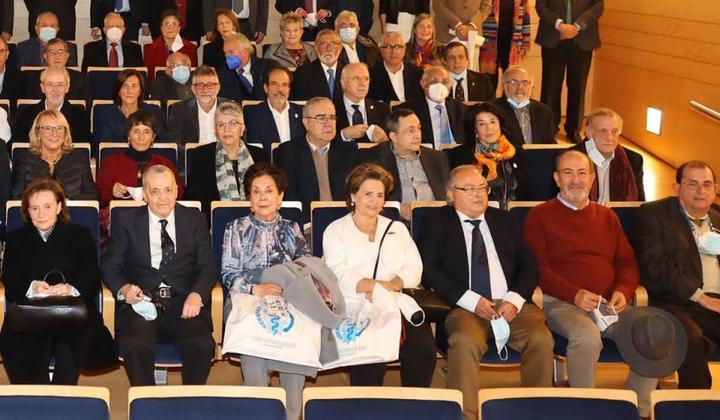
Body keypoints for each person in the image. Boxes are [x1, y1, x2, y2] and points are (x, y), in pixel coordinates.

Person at [528, 151, 673, 415]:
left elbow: (627, 263)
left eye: (582, 173)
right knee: (586, 336)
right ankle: (586, 410)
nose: (576, 180)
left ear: (592, 178)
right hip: (561, 303)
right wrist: (574, 295)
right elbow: (536, 269)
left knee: (651, 333)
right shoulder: (540, 216)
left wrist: (622, 291)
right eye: (568, 173)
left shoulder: (607, 217)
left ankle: (635, 408)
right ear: (557, 178)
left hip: (607, 304)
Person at [420, 166, 553, 415]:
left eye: (482, 188)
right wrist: (471, 300)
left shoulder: (503, 219)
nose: (478, 194)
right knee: (465, 341)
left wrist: (514, 299)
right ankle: (465, 414)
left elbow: (530, 264)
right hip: (465, 307)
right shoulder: (436, 222)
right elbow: (429, 269)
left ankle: (537, 410)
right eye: (469, 189)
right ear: (450, 194)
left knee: (541, 339)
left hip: (510, 305)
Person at [101, 165, 216, 386]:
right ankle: (146, 403)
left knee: (201, 344)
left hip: (183, 301)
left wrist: (197, 295)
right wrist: (124, 289)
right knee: (134, 343)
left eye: (167, 190)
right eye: (154, 191)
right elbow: (110, 265)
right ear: (144, 194)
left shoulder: (195, 219)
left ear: (176, 191)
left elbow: (208, 266)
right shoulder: (126, 220)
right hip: (142, 301)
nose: (162, 198)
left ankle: (191, 402)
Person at [323, 163, 436, 388]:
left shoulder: (397, 229)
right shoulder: (336, 230)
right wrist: (375, 286)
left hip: (397, 303)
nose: (374, 201)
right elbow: (337, 272)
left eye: (380, 195)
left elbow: (414, 266)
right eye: (368, 194)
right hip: (357, 305)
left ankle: (416, 406)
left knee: (423, 352)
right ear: (353, 196)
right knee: (369, 360)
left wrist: (395, 284)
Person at [219, 163, 311, 418]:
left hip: (287, 299)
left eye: (269, 191)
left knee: (296, 341)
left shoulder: (292, 229)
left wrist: (286, 289)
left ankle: (292, 414)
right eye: (256, 191)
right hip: (247, 300)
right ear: (249, 198)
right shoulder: (235, 228)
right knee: (255, 348)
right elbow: (228, 274)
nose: (262, 197)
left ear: (280, 196)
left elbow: (306, 268)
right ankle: (258, 410)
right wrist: (255, 288)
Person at [0, 178, 113, 384]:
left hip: (72, 313)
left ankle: (63, 402)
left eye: (47, 206)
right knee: (25, 342)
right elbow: (10, 277)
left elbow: (91, 276)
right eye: (34, 208)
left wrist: (70, 288)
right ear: (27, 211)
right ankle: (39, 401)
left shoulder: (80, 234)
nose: (41, 214)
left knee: (70, 345)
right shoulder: (17, 238)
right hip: (31, 313)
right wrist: (32, 287)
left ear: (59, 207)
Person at [631, 161, 720, 391]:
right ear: (676, 187)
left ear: (715, 189)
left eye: (707, 184)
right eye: (692, 184)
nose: (701, 191)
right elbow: (657, 265)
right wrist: (700, 296)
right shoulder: (653, 215)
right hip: (674, 301)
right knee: (690, 339)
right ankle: (695, 405)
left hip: (716, 302)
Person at [537, 0, 604, 140]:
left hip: (581, 40)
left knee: (577, 85)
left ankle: (573, 129)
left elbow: (597, 6)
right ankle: (550, 127)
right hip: (553, 38)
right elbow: (541, 6)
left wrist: (576, 26)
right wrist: (559, 25)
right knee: (551, 85)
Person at [96, 111, 182, 232]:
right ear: (128, 136)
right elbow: (99, 195)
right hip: (121, 222)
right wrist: (112, 191)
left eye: (146, 132)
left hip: (158, 220)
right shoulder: (110, 162)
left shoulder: (165, 164)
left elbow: (179, 194)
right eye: (136, 131)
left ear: (153, 136)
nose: (141, 137)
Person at [274, 97, 358, 207]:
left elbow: (355, 191)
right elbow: (290, 196)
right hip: (306, 221)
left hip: (343, 218)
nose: (329, 123)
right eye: (321, 118)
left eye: (332, 118)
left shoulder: (348, 151)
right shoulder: (288, 152)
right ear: (306, 122)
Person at [360, 108, 450, 204]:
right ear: (394, 137)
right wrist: (398, 209)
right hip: (395, 216)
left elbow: (447, 195)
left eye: (418, 128)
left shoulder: (437, 158)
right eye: (411, 131)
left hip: (433, 214)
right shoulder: (373, 158)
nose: (417, 135)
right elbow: (366, 196)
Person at [184, 100, 265, 206]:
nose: (227, 129)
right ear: (215, 131)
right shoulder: (200, 155)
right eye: (221, 125)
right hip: (214, 219)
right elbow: (194, 198)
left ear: (242, 129)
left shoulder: (259, 155)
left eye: (232, 123)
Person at [447, 103, 525, 203]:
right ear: (475, 129)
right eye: (481, 124)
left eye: (492, 122)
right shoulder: (460, 155)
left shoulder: (516, 153)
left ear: (500, 125)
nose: (489, 129)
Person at [12, 110, 97, 200]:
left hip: (72, 212)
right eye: (48, 128)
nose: (54, 133)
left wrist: (67, 203)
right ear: (38, 134)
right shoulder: (24, 160)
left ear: (65, 134)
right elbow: (16, 195)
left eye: (59, 128)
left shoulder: (79, 158)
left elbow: (92, 194)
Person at [571, 108, 645, 203]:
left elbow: (639, 204)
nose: (609, 138)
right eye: (603, 131)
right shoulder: (568, 159)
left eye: (614, 131)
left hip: (619, 217)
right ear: (589, 133)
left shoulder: (633, 160)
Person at [481, 0, 532, 86]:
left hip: (512, 43)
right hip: (490, 43)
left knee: (511, 80)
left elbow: (526, 18)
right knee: (489, 81)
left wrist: (525, 43)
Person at [12, 66, 91, 144]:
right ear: (42, 88)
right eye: (50, 85)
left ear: (67, 88)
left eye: (60, 85)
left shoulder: (80, 116)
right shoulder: (27, 114)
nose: (55, 90)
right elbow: (17, 147)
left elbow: (85, 149)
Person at [398, 65, 465, 148]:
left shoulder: (460, 108)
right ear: (423, 84)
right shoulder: (408, 110)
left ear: (450, 85)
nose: (440, 86)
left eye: (444, 82)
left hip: (458, 154)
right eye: (434, 81)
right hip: (427, 155)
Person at [493, 66, 558, 145]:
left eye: (525, 82)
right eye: (514, 82)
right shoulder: (493, 110)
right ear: (504, 86)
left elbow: (550, 143)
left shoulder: (543, 111)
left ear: (531, 87)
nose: (520, 87)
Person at [95, 69, 163, 143]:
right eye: (125, 86)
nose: (129, 91)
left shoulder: (153, 112)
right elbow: (105, 147)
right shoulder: (106, 115)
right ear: (118, 91)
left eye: (134, 86)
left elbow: (161, 143)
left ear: (140, 90)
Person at [244, 66, 305, 145]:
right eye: (274, 84)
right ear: (266, 88)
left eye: (284, 85)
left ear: (289, 89)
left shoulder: (302, 112)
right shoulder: (252, 114)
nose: (280, 89)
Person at [165, 65, 221, 144]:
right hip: (191, 155)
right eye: (200, 86)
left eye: (210, 85)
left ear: (218, 88)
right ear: (193, 89)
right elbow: (174, 142)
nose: (205, 90)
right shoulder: (179, 109)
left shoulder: (231, 108)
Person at [335, 63, 389, 143]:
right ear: (343, 83)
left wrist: (384, 140)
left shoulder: (382, 109)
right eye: (356, 78)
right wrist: (343, 135)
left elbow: (394, 145)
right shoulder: (331, 109)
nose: (362, 84)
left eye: (366, 79)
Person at [368, 31, 424, 104]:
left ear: (404, 49)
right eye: (388, 46)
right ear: (380, 49)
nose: (393, 51)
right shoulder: (371, 75)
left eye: (398, 46)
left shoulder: (418, 73)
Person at [291, 29, 346, 101]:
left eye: (333, 44)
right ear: (316, 48)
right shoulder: (303, 73)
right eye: (323, 44)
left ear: (340, 48)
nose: (328, 48)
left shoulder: (349, 71)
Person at [216, 32, 270, 102]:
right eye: (225, 53)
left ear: (245, 52)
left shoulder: (267, 67)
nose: (227, 56)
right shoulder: (221, 74)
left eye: (231, 52)